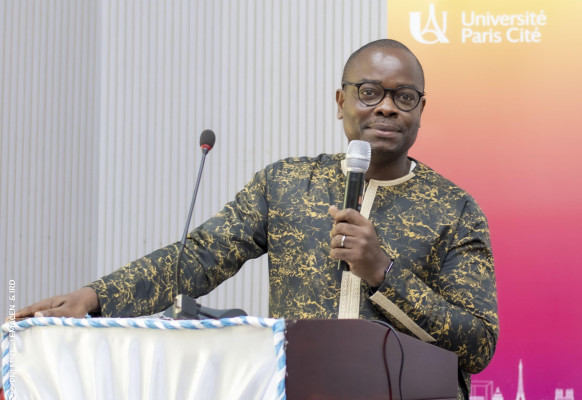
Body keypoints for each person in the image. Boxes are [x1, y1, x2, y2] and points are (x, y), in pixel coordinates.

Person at [16, 39, 498, 399]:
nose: (387, 107)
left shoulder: (454, 209)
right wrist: (95, 298)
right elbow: (199, 257)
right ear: (341, 102)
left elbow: (477, 345)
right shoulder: (286, 184)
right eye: (369, 92)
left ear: (420, 110)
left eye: (404, 97)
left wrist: (383, 273)